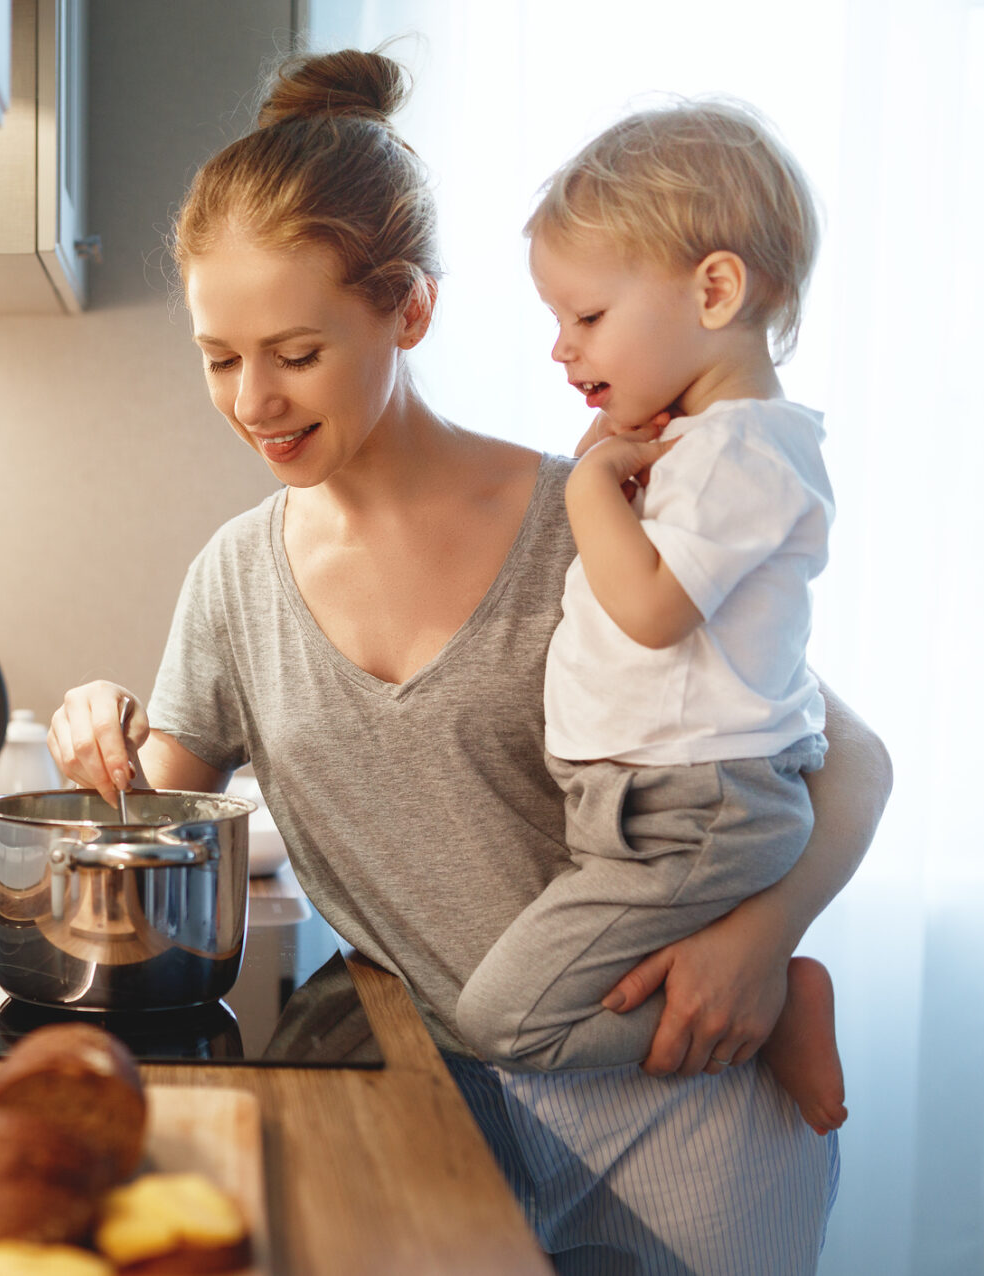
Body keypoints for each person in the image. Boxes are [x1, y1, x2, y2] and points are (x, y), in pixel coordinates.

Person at [48, 49, 891, 1274]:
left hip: (694, 1092)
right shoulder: (236, 581)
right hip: (452, 1116)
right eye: (219, 357)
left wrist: (765, 943)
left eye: (296, 351)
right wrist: (97, 724)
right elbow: (148, 820)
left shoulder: (595, 511)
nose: (255, 402)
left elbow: (847, 759)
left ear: (410, 312)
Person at [450, 101, 848, 1138]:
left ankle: (768, 1020)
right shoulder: (708, 449)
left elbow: (653, 613)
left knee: (506, 1019)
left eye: (585, 317)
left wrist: (586, 490)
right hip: (650, 805)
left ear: (714, 289)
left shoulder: (744, 450)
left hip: (691, 808)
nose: (560, 349)